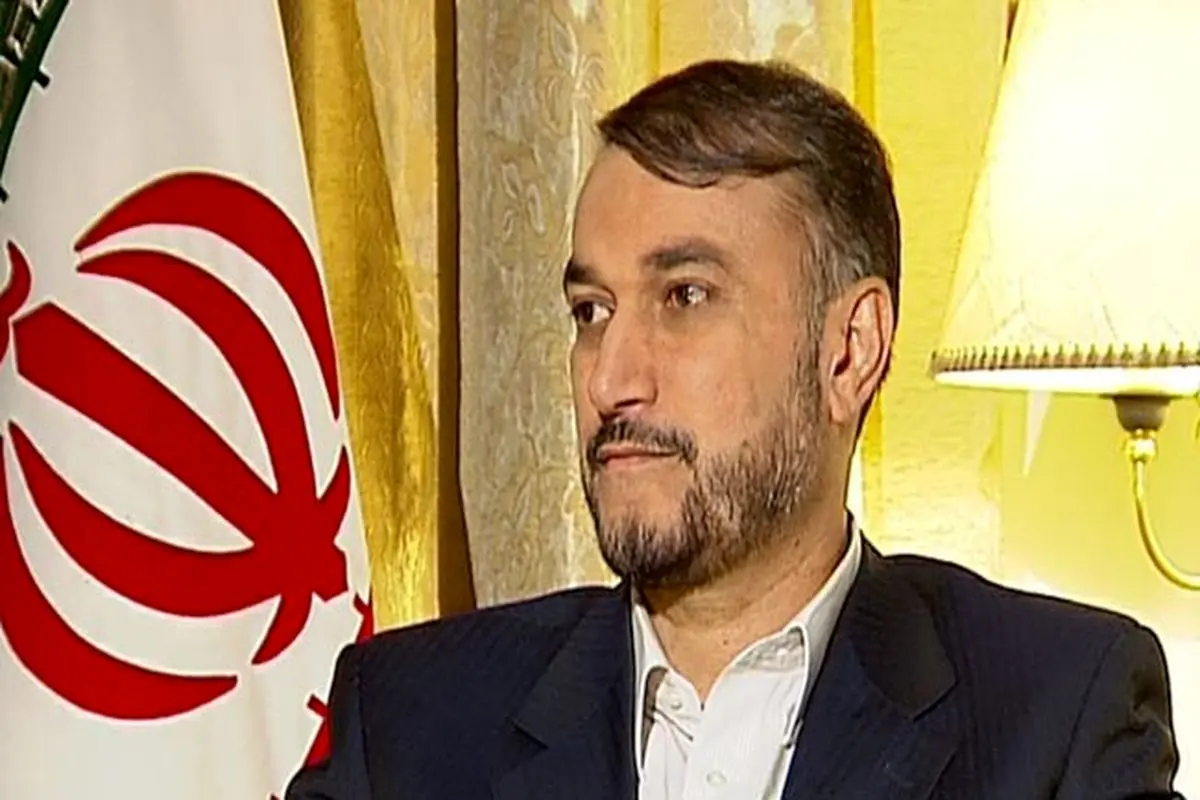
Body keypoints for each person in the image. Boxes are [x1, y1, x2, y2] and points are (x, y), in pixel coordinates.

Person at [286, 59, 1180, 800]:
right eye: (591, 310)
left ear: (849, 351)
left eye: (685, 297)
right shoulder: (407, 723)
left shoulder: (1057, 716)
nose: (609, 380)